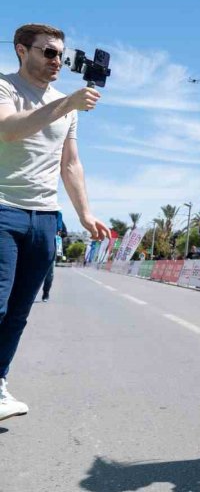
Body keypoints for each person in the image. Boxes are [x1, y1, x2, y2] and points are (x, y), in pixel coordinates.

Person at [0, 23, 110, 422]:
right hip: (3, 210)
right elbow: (9, 130)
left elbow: (71, 163)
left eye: (60, 55)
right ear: (21, 50)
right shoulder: (4, 87)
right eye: (48, 53)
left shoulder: (67, 104)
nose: (57, 62)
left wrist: (85, 213)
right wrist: (66, 106)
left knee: (18, 312)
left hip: (45, 219)